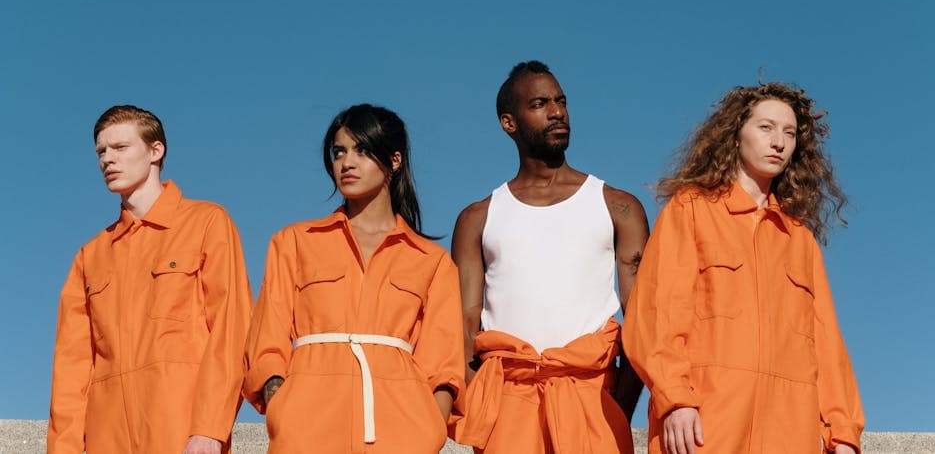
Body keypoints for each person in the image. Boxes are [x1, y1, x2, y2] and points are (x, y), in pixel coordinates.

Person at [623, 83, 864, 454]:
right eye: (766, 128)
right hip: (704, 424)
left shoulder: (799, 239)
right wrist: (676, 398)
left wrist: (842, 431)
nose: (779, 142)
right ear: (736, 135)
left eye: (789, 133)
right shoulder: (691, 209)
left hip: (790, 431)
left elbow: (827, 344)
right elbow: (656, 315)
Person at [449, 61, 649, 453]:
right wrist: (490, 408)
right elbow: (461, 328)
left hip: (594, 404)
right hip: (508, 412)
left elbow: (644, 319)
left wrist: (615, 408)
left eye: (561, 101)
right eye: (540, 103)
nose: (557, 112)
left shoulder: (619, 207)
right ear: (509, 122)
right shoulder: (478, 218)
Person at [243, 104, 464, 453]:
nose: (347, 162)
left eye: (362, 150)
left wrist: (430, 427)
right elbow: (266, 340)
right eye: (339, 152)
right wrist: (282, 407)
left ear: (394, 160)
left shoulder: (431, 261)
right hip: (306, 430)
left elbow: (444, 366)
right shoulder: (294, 242)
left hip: (404, 434)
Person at [48, 105, 254, 454]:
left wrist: (209, 429)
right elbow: (72, 368)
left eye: (120, 148)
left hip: (183, 433)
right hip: (106, 438)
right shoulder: (90, 256)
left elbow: (232, 332)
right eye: (101, 151)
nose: (107, 160)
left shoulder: (206, 223)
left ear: (155, 151)